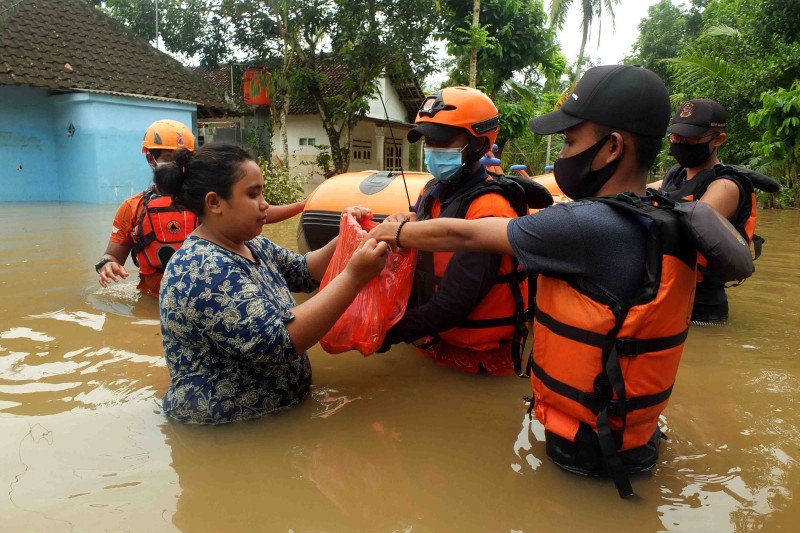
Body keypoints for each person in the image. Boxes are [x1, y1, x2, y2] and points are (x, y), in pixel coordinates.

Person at [370, 65, 698, 498]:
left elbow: (465, 236)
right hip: (626, 430)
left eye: (569, 141)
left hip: (590, 449)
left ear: (613, 147)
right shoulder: (657, 213)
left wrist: (386, 243)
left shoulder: (582, 226)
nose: (562, 153)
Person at [156, 142, 388, 424]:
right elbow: (277, 341)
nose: (265, 204)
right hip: (227, 432)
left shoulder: (250, 243)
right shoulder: (201, 268)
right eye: (253, 194)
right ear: (214, 202)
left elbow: (304, 271)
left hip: (274, 418)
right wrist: (354, 277)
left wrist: (348, 235)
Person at [377, 86, 532, 376]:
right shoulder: (432, 191)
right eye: (428, 140)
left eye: (443, 139)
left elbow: (453, 305)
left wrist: (386, 333)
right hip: (436, 343)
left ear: (478, 145)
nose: (433, 147)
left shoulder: (490, 209)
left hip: (480, 363)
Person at [96, 119, 307, 297]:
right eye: (168, 159)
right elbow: (112, 256)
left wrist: (303, 206)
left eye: (179, 160)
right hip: (153, 299)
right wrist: (107, 265)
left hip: (208, 294)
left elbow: (255, 213)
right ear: (151, 158)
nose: (175, 166)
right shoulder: (132, 207)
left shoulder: (201, 197)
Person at [655, 99, 767, 325]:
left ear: (719, 140)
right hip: (670, 298)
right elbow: (638, 192)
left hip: (701, 309)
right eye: (676, 136)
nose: (680, 142)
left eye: (691, 138)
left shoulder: (725, 186)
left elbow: (680, 228)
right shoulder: (676, 175)